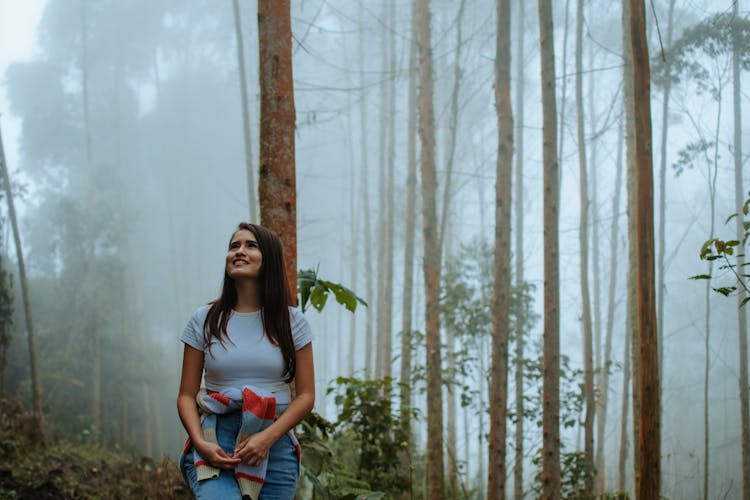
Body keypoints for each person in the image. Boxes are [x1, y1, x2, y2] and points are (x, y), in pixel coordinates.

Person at [177, 222, 315, 499]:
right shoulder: (204, 320)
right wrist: (200, 442)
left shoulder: (292, 323)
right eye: (234, 246)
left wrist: (267, 438)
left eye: (250, 245)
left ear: (270, 260)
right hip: (216, 439)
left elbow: (306, 396)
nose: (239, 251)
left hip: (273, 444)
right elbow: (185, 396)